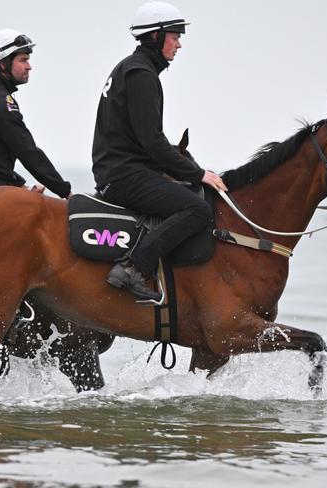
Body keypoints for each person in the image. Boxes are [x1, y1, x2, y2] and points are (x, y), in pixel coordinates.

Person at [92, 2, 227, 301]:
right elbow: (152, 140)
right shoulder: (141, 74)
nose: (179, 44)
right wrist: (198, 173)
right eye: (175, 36)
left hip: (120, 170)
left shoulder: (130, 67)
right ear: (156, 36)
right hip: (125, 175)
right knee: (198, 209)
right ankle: (133, 268)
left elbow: (144, 140)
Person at [0, 29, 71, 199]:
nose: (29, 66)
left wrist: (21, 185)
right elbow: (27, 151)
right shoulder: (1, 101)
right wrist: (65, 191)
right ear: (3, 64)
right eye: (23, 60)